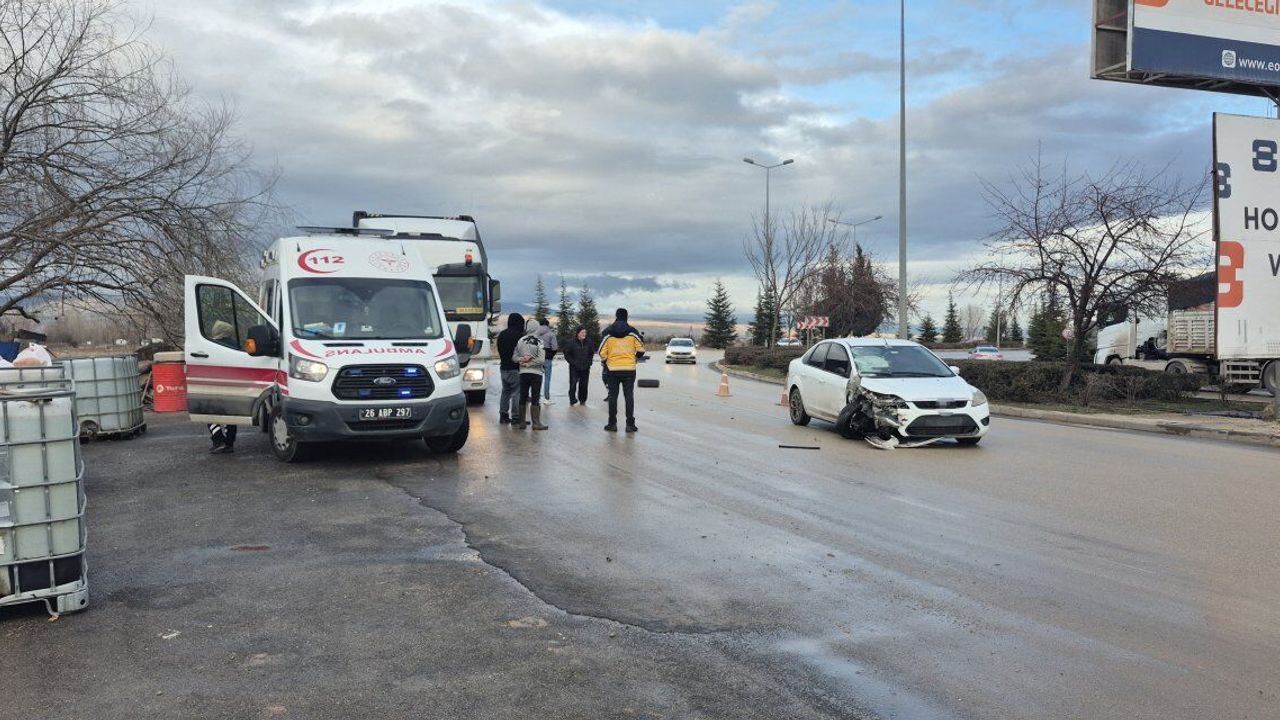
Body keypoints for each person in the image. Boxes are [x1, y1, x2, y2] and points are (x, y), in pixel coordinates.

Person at [598, 308, 644, 433]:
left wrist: (606, 362)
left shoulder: (608, 332)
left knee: (613, 397)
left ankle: (612, 424)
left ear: (616, 316)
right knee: (629, 397)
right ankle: (630, 425)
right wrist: (635, 358)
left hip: (612, 370)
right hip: (629, 369)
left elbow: (601, 352)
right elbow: (641, 349)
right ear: (626, 317)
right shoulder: (633, 332)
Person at [207, 320, 238, 453]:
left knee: (209, 413)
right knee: (230, 416)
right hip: (234, 386)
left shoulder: (212, 346)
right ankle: (229, 443)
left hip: (216, 385)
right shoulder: (236, 346)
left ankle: (218, 440)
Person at [513, 318, 548, 430]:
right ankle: (536, 423)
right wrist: (530, 363)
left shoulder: (520, 340)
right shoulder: (539, 341)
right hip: (536, 373)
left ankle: (522, 422)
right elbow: (541, 360)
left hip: (523, 373)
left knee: (523, 396)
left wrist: (522, 359)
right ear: (536, 328)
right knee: (535, 397)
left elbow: (514, 357)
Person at [495, 313, 525, 424]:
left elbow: (499, 349)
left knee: (505, 392)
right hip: (515, 369)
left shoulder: (502, 334)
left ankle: (503, 415)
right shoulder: (519, 336)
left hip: (503, 367)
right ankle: (516, 417)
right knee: (516, 392)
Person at [563, 326, 593, 406]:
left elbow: (591, 353)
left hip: (585, 367)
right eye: (582, 332)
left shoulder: (589, 342)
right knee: (573, 384)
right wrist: (573, 362)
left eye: (585, 332)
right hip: (574, 367)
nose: (584, 334)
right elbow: (566, 354)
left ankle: (582, 400)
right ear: (578, 333)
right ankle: (572, 399)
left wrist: (589, 362)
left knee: (584, 384)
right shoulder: (571, 342)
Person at [536, 319, 558, 404]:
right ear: (547, 325)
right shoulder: (551, 334)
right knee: (547, 379)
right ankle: (547, 398)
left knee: (537, 378)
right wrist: (551, 355)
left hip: (537, 359)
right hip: (547, 359)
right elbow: (555, 348)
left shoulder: (535, 334)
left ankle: (536, 397)